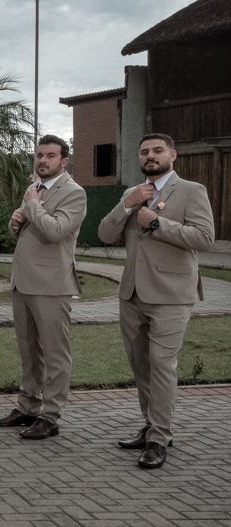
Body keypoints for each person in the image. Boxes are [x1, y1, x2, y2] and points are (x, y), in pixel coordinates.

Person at [98, 133, 215, 469]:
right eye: (144, 152)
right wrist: (128, 204)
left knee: (162, 366)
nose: (150, 156)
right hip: (132, 293)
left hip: (171, 295)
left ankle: (159, 440)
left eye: (157, 150)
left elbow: (205, 238)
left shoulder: (192, 191)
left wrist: (158, 223)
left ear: (172, 155)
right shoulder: (131, 193)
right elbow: (105, 234)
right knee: (141, 367)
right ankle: (151, 425)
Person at [0, 135, 86, 440]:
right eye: (39, 155)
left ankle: (50, 416)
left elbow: (55, 231)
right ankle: (27, 407)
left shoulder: (74, 193)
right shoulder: (33, 190)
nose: (42, 160)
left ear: (64, 161)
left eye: (50, 156)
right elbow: (18, 230)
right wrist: (16, 220)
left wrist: (31, 208)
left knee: (56, 355)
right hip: (23, 281)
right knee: (29, 352)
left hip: (52, 284)